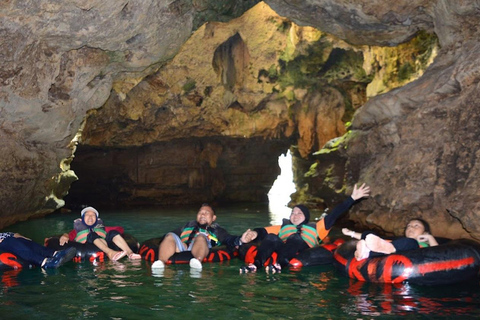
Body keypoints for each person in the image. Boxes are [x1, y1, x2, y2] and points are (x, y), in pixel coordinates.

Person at [240, 183, 371, 273]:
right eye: (293, 213)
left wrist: (352, 198)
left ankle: (281, 264)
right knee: (272, 237)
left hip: (302, 249)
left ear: (306, 217)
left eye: (299, 213)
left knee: (295, 237)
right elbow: (263, 231)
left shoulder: (318, 227)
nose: (295, 215)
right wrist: (253, 233)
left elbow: (335, 213)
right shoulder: (282, 227)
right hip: (283, 248)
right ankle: (256, 265)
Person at [151, 203, 259, 271]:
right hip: (182, 247)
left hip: (201, 246)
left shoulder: (217, 230)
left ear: (213, 218)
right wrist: (176, 242)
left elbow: (228, 239)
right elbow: (168, 236)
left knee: (201, 236)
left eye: (206, 213)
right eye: (200, 213)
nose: (202, 215)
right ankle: (161, 262)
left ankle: (197, 261)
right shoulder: (188, 226)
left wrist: (241, 240)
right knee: (170, 235)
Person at [59, 206, 141, 261]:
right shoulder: (77, 230)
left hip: (103, 242)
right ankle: (110, 253)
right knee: (91, 234)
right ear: (83, 218)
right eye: (87, 215)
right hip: (86, 247)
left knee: (112, 232)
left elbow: (120, 229)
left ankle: (130, 253)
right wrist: (65, 236)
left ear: (96, 218)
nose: (90, 217)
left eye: (93, 215)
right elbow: (69, 236)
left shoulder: (102, 228)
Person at [342, 217, 439, 261]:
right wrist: (351, 233)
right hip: (390, 251)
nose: (411, 228)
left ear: (425, 232)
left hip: (414, 255)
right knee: (369, 234)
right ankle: (365, 253)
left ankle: (371, 251)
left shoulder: (423, 243)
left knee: (411, 242)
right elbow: (374, 239)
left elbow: (438, 253)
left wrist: (429, 237)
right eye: (409, 226)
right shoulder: (400, 241)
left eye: (416, 226)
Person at [0, 232, 76, 269]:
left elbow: (12, 234)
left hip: (8, 241)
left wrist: (21, 237)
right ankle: (45, 263)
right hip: (4, 246)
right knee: (9, 241)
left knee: (19, 239)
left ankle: (55, 254)